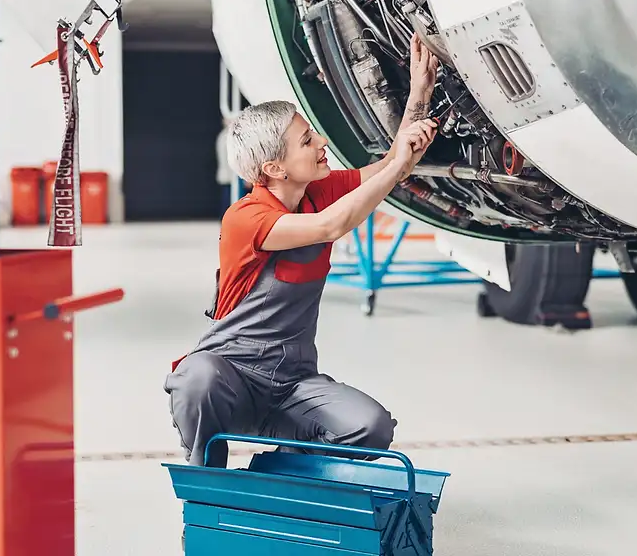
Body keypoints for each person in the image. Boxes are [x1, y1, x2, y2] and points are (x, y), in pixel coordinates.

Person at [164, 34, 440, 470]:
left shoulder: (316, 191)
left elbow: (390, 166)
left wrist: (419, 95)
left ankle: (277, 478)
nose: (322, 143)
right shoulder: (247, 216)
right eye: (307, 140)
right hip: (230, 374)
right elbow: (332, 225)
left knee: (370, 427)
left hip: (291, 380)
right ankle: (205, 487)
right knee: (197, 380)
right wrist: (399, 163)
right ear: (273, 167)